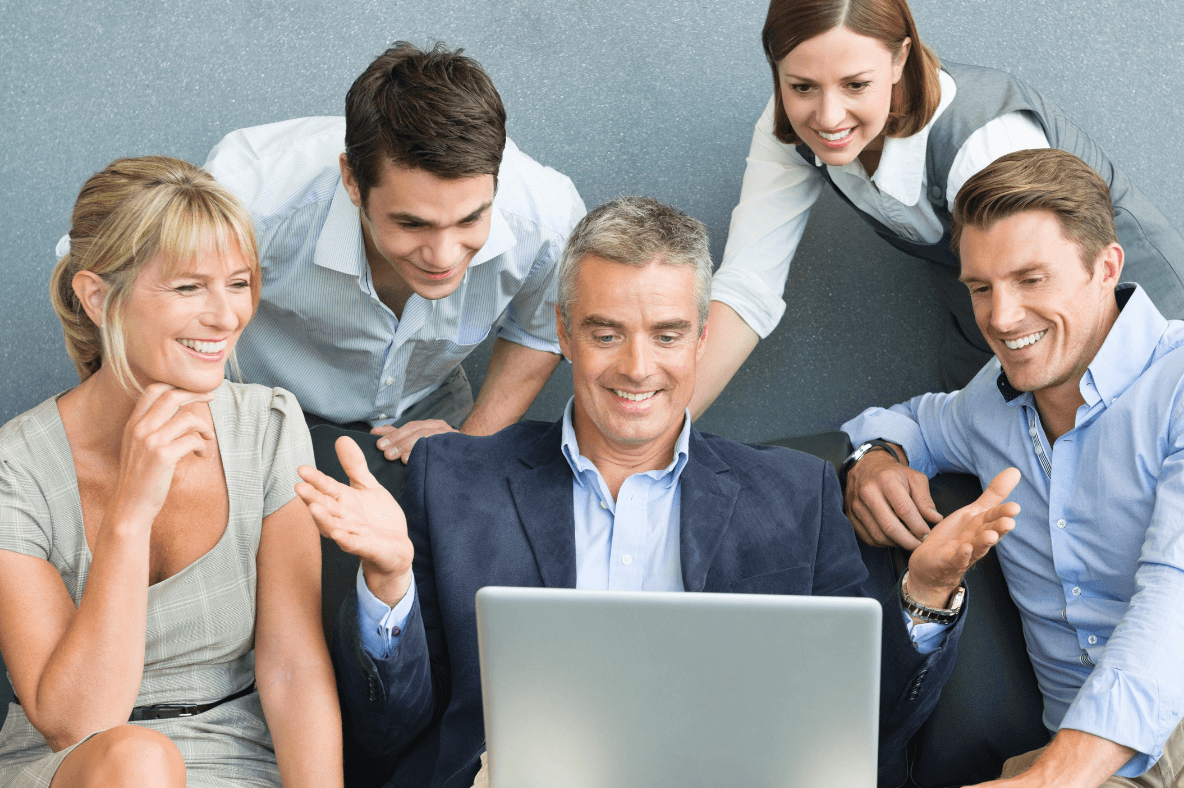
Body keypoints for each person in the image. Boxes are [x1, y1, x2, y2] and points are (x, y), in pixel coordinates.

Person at [295, 196, 1025, 788]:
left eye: (667, 335)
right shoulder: (455, 478)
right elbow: (389, 731)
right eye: (607, 334)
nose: (638, 368)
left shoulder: (795, 494)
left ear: (702, 338)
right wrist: (387, 583)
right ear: (565, 333)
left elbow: (864, 728)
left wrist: (924, 594)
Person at [841, 148, 1184, 787]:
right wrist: (873, 460)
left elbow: (1181, 594)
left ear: (1106, 267)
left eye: (1030, 279)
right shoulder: (987, 403)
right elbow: (899, 422)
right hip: (1096, 771)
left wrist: (1055, 778)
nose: (1001, 317)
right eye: (981, 288)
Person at [0, 157, 341, 788]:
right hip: (75, 765)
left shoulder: (269, 426)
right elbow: (76, 723)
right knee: (138, 761)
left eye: (238, 283)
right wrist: (130, 514)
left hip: (234, 760)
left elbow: (294, 666)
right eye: (190, 288)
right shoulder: (1, 472)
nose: (226, 317)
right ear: (98, 295)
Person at [693, 0, 1184, 417]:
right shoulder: (794, 121)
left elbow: (1053, 291)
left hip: (1102, 304)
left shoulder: (984, 137)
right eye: (801, 85)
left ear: (900, 59)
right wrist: (660, 430)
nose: (828, 115)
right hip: (990, 312)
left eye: (856, 84)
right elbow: (748, 287)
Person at [202, 41, 586, 493]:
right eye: (411, 223)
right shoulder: (246, 201)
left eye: (469, 219)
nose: (443, 257)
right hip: (261, 405)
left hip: (428, 404)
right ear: (352, 180)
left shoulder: (548, 222)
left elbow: (539, 329)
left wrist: (472, 441)